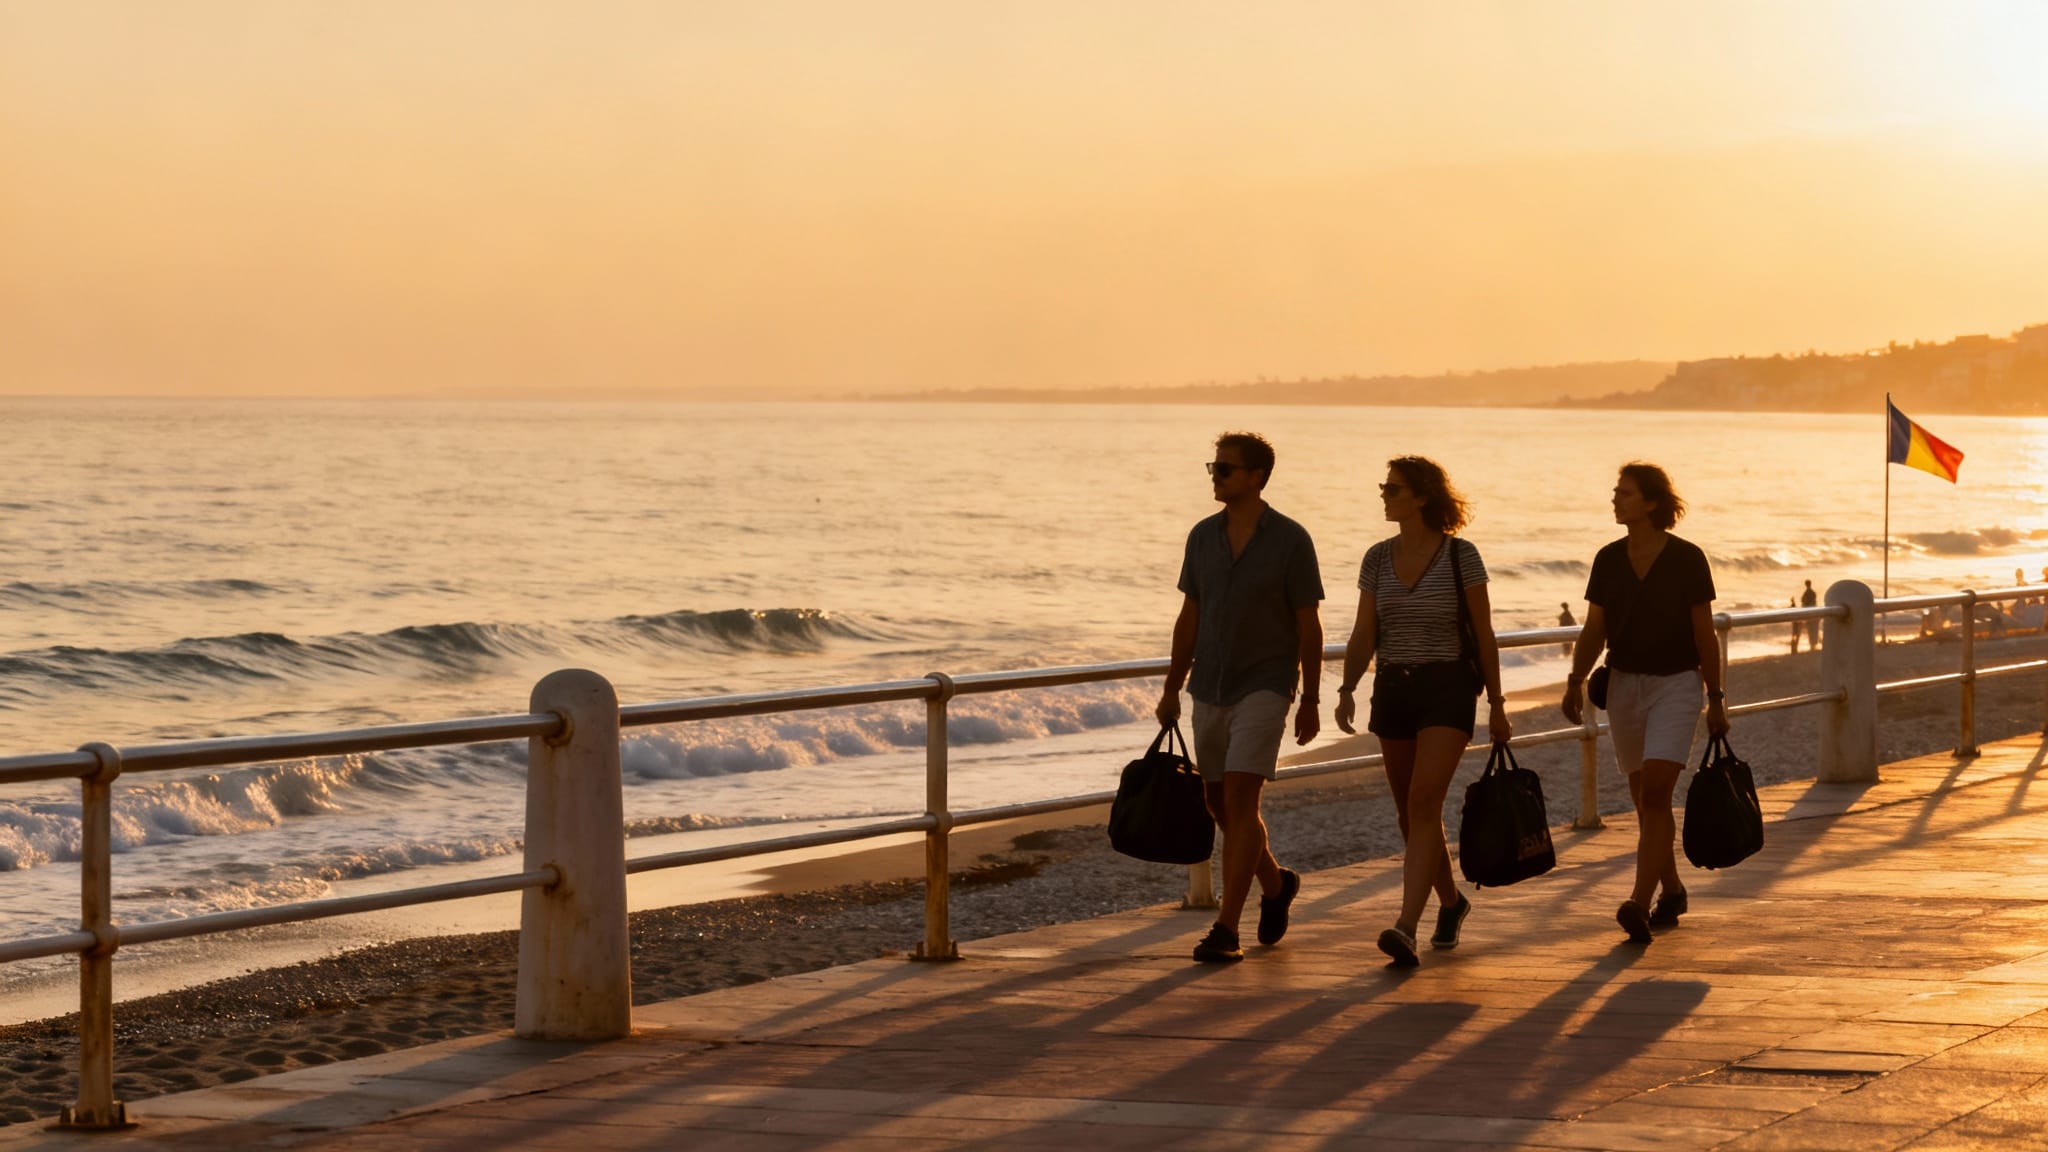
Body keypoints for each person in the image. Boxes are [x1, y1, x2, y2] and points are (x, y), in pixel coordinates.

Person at [1335, 456, 1510, 967]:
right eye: (1384, 487)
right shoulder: (1376, 558)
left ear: (1422, 497)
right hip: (1393, 686)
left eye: (1393, 489)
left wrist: (1498, 704)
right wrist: (1346, 686)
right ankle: (1451, 903)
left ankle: (1406, 926)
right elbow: (1364, 631)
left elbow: (1484, 634)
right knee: (1410, 814)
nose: (1384, 495)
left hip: (1448, 686)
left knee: (1424, 800)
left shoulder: (1461, 555)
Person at [1157, 431, 1324, 964]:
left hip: (1266, 683)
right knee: (1217, 802)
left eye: (1225, 468)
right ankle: (1276, 884)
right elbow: (1189, 617)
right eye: (1213, 467)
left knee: (1241, 800)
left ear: (1256, 477)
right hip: (1209, 684)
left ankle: (1227, 927)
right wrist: (1171, 687)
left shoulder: (1291, 540)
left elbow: (1309, 625)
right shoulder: (1201, 537)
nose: (1215, 476)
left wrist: (1311, 698)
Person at [1560, 462, 1727, 945]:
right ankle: (1672, 890)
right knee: (1643, 799)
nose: (1615, 499)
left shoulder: (1688, 558)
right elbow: (1595, 629)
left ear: (1652, 502)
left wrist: (1716, 698)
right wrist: (1574, 680)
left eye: (1625, 493)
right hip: (1623, 686)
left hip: (1676, 684)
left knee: (1655, 793)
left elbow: (1704, 634)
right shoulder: (1608, 559)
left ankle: (1637, 901)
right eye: (1617, 492)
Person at [1800, 579, 1819, 651]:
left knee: (1811, 630)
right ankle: (1813, 645)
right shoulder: (1812, 592)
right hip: (1813, 613)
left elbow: (1804, 603)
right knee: (1813, 630)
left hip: (1810, 613)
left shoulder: (1808, 593)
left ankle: (1812, 645)